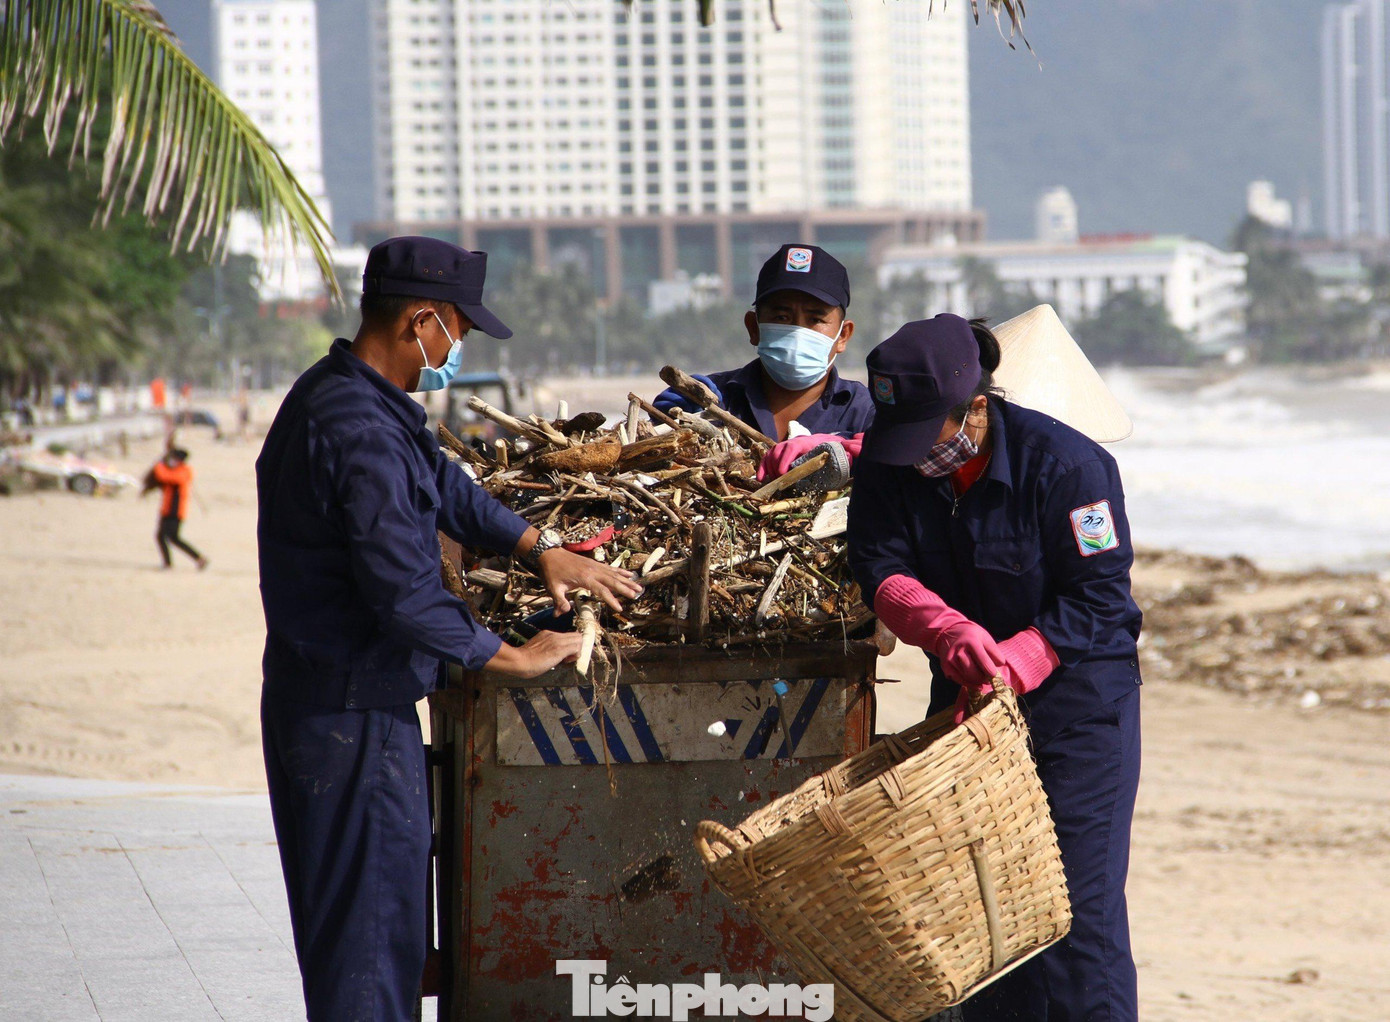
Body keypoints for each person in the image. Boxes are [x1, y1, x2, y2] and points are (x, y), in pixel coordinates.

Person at [255, 236, 642, 1022]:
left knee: (388, 941)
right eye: (458, 332)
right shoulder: (354, 427)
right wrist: (513, 658)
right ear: (420, 321)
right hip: (349, 716)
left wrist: (544, 551)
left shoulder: (359, 399)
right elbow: (404, 594)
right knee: (366, 954)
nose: (456, 349)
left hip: (358, 704)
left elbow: (446, 488)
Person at [846, 314, 1142, 1021]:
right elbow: (877, 562)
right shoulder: (889, 466)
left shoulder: (1070, 467)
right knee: (979, 912)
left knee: (1075, 913)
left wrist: (1021, 656)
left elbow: (1102, 596)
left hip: (1078, 713)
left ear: (976, 407)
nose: (916, 458)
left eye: (928, 438)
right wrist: (942, 628)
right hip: (964, 708)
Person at [654, 243, 875, 441]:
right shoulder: (714, 401)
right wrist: (666, 422)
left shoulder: (866, 414)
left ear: (843, 335)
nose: (797, 332)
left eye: (815, 319)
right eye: (782, 317)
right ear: (753, 327)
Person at [143, 447, 207, 570]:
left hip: (175, 511)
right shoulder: (176, 469)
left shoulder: (183, 471)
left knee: (171, 537)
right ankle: (172, 562)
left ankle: (197, 559)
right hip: (167, 510)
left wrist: (159, 464)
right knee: (164, 537)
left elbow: (165, 476)